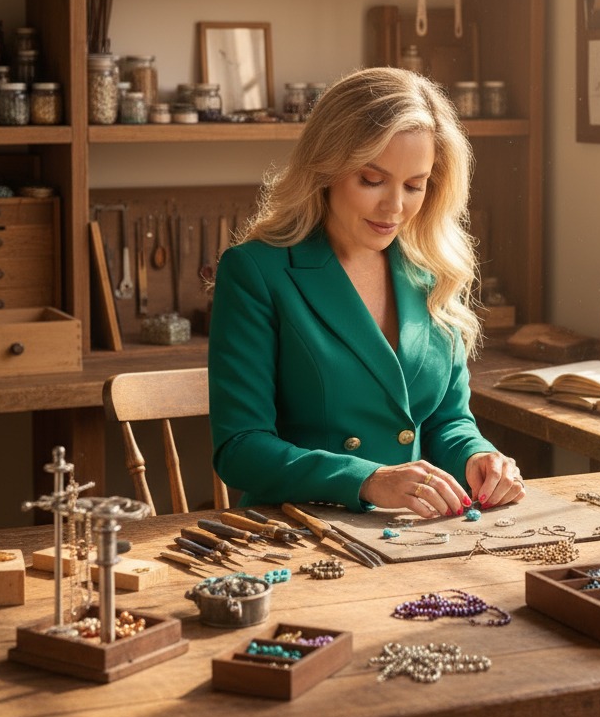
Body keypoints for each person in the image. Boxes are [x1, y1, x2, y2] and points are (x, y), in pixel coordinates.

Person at [208, 67, 524, 517]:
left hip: (410, 531)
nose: (394, 207)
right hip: (299, 529)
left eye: (415, 185)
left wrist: (478, 458)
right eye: (372, 180)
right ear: (327, 167)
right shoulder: (256, 271)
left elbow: (446, 421)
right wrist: (368, 479)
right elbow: (240, 448)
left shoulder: (433, 270)